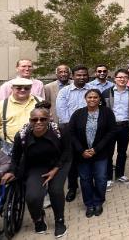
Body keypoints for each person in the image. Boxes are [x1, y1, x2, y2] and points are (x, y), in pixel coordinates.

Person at [2, 104, 71, 237]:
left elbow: (67, 152)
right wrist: (11, 171)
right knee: (32, 196)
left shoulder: (60, 130)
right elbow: (15, 157)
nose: (38, 122)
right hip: (36, 165)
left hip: (59, 163)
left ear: (48, 120)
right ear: (30, 120)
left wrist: (55, 170)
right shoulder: (21, 135)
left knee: (55, 190)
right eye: (35, 120)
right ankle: (38, 218)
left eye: (43, 119)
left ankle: (59, 221)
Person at [68, 89, 116, 217]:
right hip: (82, 154)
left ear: (100, 99)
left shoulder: (107, 113)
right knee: (85, 179)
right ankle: (89, 204)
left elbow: (111, 132)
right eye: (90, 97)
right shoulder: (78, 114)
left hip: (100, 153)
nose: (92, 99)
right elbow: (71, 134)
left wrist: (96, 149)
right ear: (85, 99)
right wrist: (81, 150)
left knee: (101, 178)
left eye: (95, 97)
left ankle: (99, 201)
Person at [55, 65, 91, 201]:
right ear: (73, 76)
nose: (81, 77)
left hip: (90, 130)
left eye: (84, 75)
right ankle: (72, 187)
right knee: (72, 160)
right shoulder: (65, 92)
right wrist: (74, 129)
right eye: (78, 75)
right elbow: (62, 113)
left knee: (88, 157)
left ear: (87, 76)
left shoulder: (93, 90)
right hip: (70, 132)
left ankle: (88, 184)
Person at [0, 78, 42, 153]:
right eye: (19, 88)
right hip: (10, 148)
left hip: (38, 146)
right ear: (12, 88)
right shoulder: (1, 106)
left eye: (26, 88)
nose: (22, 90)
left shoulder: (40, 102)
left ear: (31, 88)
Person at [101, 69, 129, 188]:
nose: (122, 79)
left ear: (128, 78)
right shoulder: (106, 93)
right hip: (110, 127)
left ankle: (120, 174)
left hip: (125, 126)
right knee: (108, 153)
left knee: (122, 152)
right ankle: (108, 177)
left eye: (125, 77)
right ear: (114, 78)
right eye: (120, 77)